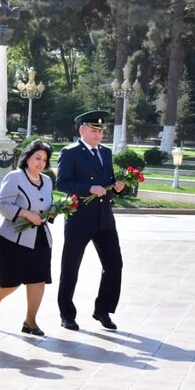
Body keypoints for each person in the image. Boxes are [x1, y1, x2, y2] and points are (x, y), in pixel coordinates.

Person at [56, 110, 125, 331]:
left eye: (101, 130)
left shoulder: (105, 153)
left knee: (114, 264)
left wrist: (118, 187)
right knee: (71, 266)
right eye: (94, 130)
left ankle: (102, 309)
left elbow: (108, 181)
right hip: (79, 218)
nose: (99, 134)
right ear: (82, 130)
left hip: (104, 218)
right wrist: (88, 188)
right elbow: (62, 183)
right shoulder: (71, 152)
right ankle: (66, 313)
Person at [0, 140, 54, 337]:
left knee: (38, 279)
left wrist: (52, 212)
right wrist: (25, 213)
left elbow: (47, 204)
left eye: (44, 160)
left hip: (40, 237)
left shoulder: (47, 181)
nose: (40, 163)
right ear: (28, 158)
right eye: (37, 158)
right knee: (11, 281)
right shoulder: (14, 177)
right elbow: (2, 204)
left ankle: (30, 321)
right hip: (11, 239)